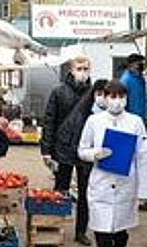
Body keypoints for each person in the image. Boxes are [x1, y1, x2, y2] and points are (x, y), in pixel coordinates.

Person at [78, 80, 147, 247]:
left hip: (125, 186)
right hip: (101, 185)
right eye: (112, 96)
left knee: (120, 234)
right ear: (105, 97)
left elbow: (143, 156)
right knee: (102, 234)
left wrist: (142, 191)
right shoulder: (94, 121)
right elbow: (81, 150)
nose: (117, 101)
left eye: (121, 96)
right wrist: (94, 154)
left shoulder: (136, 122)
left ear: (126, 99)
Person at [55, 79, 108, 246]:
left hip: (88, 157)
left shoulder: (107, 115)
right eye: (98, 94)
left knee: (85, 194)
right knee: (61, 191)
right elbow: (63, 129)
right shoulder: (82, 112)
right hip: (68, 152)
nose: (101, 98)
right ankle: (55, 225)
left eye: (104, 95)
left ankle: (81, 231)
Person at [40, 56, 92, 192]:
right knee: (61, 188)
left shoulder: (93, 93)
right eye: (79, 69)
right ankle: (59, 212)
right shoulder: (58, 92)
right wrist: (46, 150)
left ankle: (83, 214)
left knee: (86, 190)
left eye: (85, 69)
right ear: (71, 70)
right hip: (62, 148)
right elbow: (49, 121)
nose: (82, 72)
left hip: (86, 147)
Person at [120, 53, 147, 119]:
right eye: (139, 64)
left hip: (141, 116)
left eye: (142, 64)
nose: (141, 66)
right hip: (130, 117)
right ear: (131, 64)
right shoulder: (126, 80)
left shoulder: (140, 79)